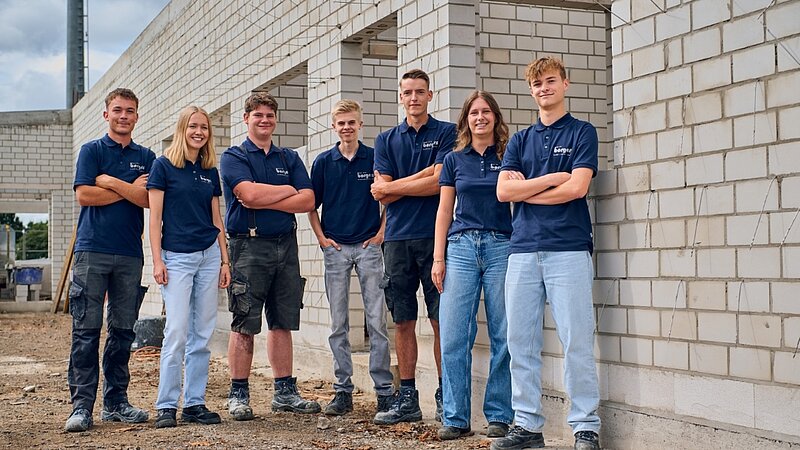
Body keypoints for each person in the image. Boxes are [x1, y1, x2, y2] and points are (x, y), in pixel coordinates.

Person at [492, 57, 601, 450]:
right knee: (520, 341)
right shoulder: (520, 140)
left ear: (566, 84)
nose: (543, 89)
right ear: (531, 90)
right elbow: (504, 192)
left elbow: (577, 189)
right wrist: (554, 178)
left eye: (550, 81)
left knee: (576, 341)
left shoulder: (583, 132)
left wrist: (531, 189)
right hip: (521, 251)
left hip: (568, 249)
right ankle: (527, 425)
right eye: (537, 84)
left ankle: (586, 427)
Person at [219, 92, 320, 421]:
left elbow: (307, 201)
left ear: (276, 120)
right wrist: (287, 191)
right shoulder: (235, 156)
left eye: (269, 116)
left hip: (285, 245)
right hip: (249, 246)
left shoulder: (288, 157)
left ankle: (284, 393)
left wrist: (268, 197)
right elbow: (246, 195)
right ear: (246, 119)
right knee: (244, 321)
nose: (264, 120)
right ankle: (238, 393)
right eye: (258, 115)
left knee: (283, 321)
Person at [65, 88, 156, 432]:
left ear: (136, 116)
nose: (123, 116)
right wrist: (127, 188)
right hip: (92, 251)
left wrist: (112, 182)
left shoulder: (146, 155)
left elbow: (147, 199)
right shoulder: (91, 150)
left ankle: (116, 402)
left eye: (129, 111)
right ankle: (81, 407)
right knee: (85, 332)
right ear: (107, 114)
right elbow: (84, 194)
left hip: (130, 254)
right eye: (117, 110)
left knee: (122, 331)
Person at [371, 69, 456, 425]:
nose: (414, 97)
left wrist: (394, 189)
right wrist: (419, 179)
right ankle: (408, 397)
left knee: (440, 320)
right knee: (403, 320)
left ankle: (445, 393)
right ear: (401, 96)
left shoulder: (447, 132)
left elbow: (439, 183)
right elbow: (383, 186)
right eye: (408, 92)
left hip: (436, 237)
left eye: (420, 92)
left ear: (430, 96)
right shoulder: (386, 139)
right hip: (397, 240)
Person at [432, 91, 513, 441]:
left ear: (495, 116)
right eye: (473, 112)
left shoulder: (510, 154)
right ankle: (455, 416)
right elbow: (443, 211)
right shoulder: (454, 160)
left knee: (503, 334)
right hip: (461, 248)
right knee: (453, 335)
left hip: (502, 246)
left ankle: (498, 414)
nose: (480, 117)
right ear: (466, 119)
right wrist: (439, 258)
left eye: (486, 112)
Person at [308, 100, 393, 419]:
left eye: (352, 122)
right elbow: (310, 205)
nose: (346, 127)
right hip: (337, 249)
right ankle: (342, 391)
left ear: (360, 124)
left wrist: (382, 232)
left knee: (376, 321)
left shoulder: (374, 158)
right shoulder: (323, 162)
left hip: (369, 245)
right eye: (341, 123)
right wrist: (321, 239)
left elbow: (389, 197)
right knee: (338, 323)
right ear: (334, 126)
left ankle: (384, 391)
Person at [147, 106, 231, 428]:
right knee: (177, 331)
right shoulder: (163, 166)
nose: (199, 132)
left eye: (204, 128)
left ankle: (194, 403)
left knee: (203, 333)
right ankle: (166, 405)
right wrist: (157, 260)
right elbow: (155, 219)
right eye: (193, 126)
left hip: (209, 256)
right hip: (177, 257)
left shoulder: (210, 170)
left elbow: (216, 218)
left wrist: (225, 260)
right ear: (183, 129)